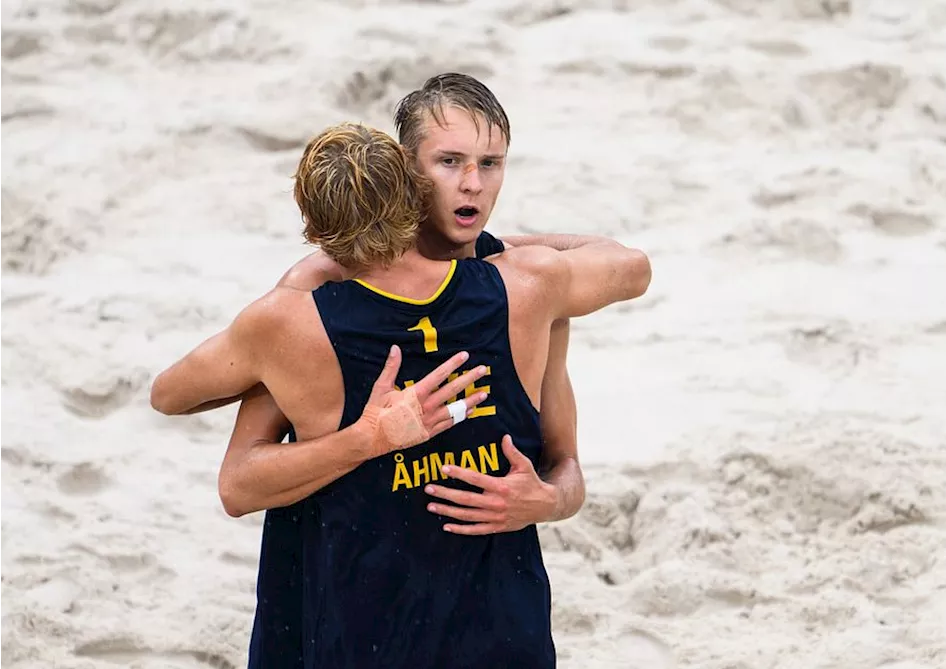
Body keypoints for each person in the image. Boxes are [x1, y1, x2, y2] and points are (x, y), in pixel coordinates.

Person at [151, 73, 626, 667]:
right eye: (450, 160)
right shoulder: (533, 287)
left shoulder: (294, 316)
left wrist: (550, 501)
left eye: (490, 163)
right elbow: (626, 264)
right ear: (407, 174)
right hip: (482, 630)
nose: (472, 182)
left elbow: (182, 411)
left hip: (372, 627)